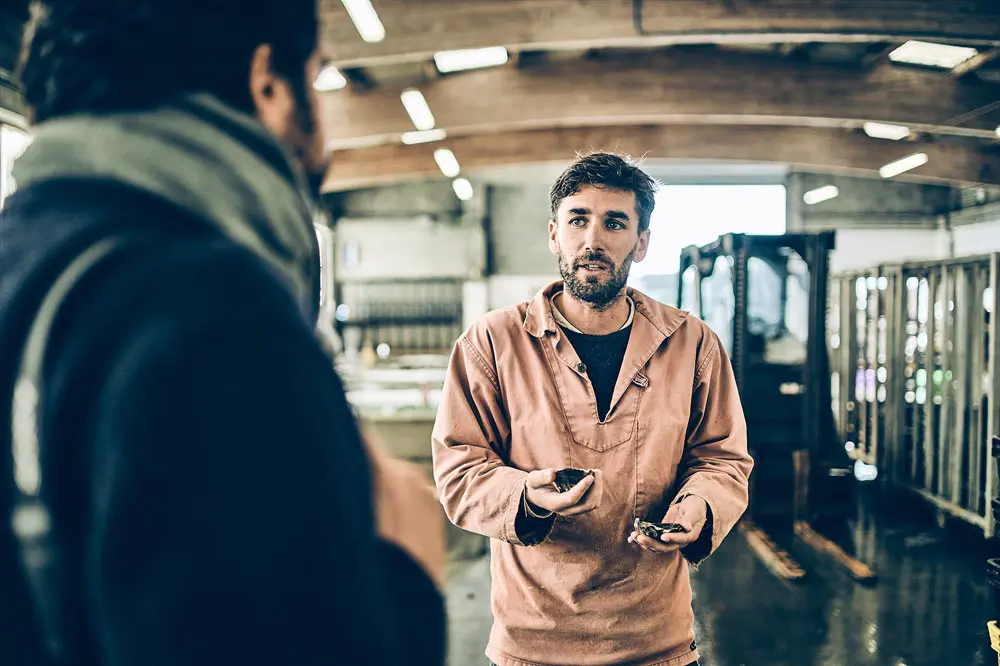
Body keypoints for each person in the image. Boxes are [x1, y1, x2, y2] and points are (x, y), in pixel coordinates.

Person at [0, 1, 445, 664]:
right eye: (317, 80)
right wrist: (408, 574)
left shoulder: (24, 263)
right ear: (267, 82)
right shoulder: (214, 312)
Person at [432, 152, 754, 666]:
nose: (593, 240)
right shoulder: (492, 344)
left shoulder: (692, 344)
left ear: (642, 242)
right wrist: (525, 494)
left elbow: (723, 459)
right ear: (554, 234)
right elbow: (458, 470)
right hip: (533, 641)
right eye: (578, 219)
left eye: (615, 222)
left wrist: (702, 505)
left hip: (657, 643)